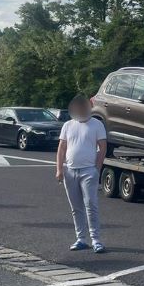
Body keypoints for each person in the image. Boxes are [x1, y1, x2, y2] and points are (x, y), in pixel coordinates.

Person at [56, 94, 108, 253]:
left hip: (88, 171)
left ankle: (96, 240)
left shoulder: (97, 124)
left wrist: (96, 168)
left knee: (91, 205)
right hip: (70, 170)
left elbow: (102, 147)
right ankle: (81, 238)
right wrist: (59, 169)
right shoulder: (68, 125)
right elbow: (62, 148)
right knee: (76, 207)